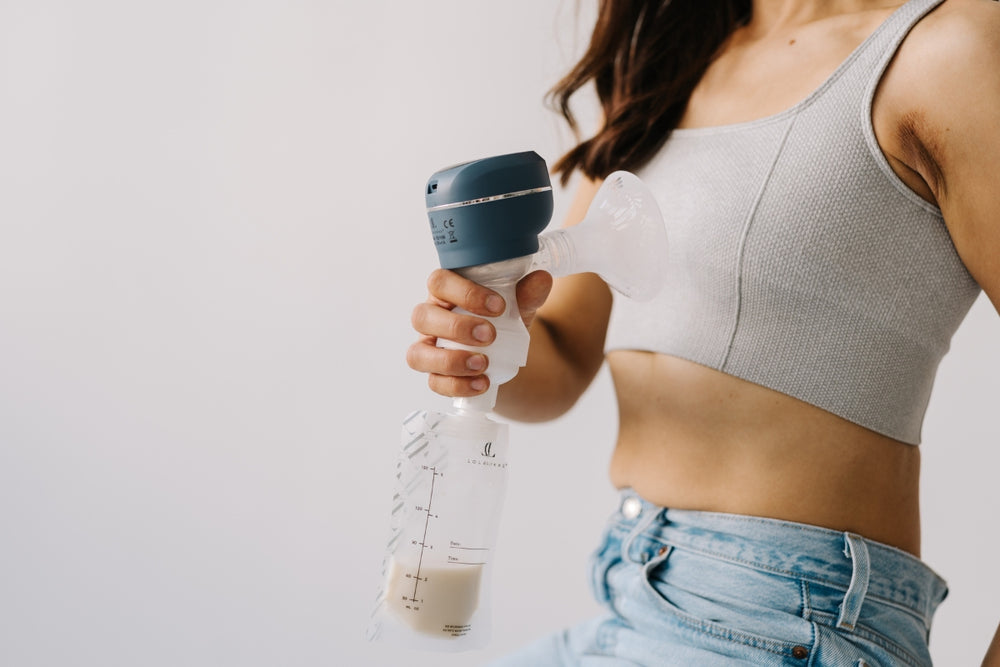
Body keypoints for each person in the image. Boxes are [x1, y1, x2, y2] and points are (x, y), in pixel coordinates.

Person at [407, 0, 1000, 664]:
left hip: (787, 620)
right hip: (627, 589)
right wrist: (483, 336)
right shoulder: (667, 62)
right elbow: (565, 356)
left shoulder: (948, 49)